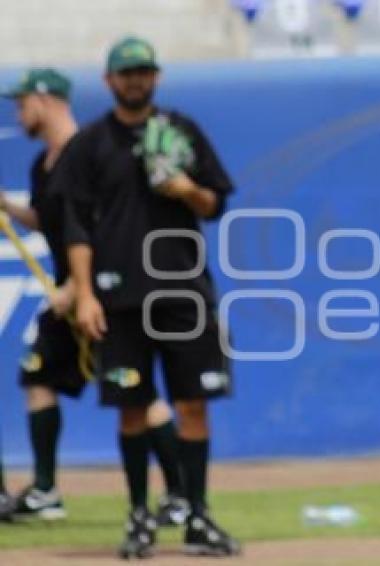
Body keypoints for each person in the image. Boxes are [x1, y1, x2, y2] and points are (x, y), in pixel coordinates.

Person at [58, 36, 240, 558]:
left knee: (194, 406)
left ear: (156, 77)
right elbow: (76, 227)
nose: (135, 79)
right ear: (108, 80)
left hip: (183, 292)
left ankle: (198, 516)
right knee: (132, 409)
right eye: (126, 72)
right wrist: (86, 294)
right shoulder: (91, 144)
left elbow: (214, 204)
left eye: (143, 71)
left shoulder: (181, 132)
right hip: (120, 298)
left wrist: (185, 190)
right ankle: (140, 516)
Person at [0, 68, 189, 525]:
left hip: (99, 295)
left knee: (137, 393)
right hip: (69, 299)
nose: (18, 112)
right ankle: (46, 490)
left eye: (22, 103)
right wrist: (8, 206)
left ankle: (180, 495)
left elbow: (105, 227)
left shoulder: (85, 153)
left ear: (45, 101)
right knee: (38, 376)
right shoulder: (41, 164)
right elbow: (53, 222)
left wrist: (76, 289)